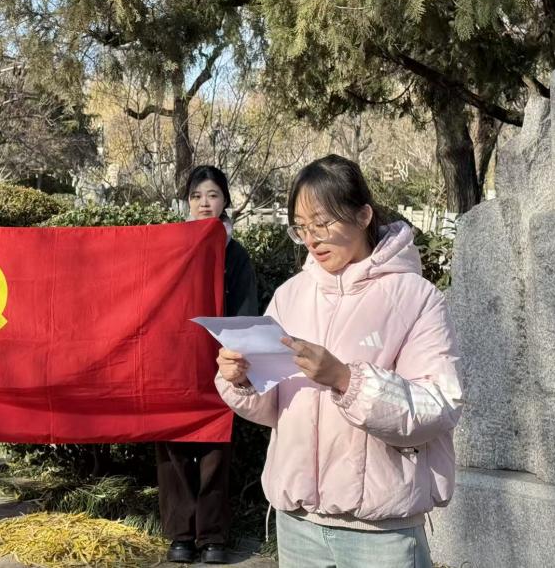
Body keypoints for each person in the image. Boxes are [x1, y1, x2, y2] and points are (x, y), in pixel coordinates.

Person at [216, 154, 462, 568]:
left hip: (381, 534)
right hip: (297, 525)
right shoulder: (291, 295)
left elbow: (439, 405)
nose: (311, 239)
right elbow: (275, 408)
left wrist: (346, 380)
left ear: (363, 215)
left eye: (322, 223)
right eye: (301, 227)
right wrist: (242, 378)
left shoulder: (416, 298)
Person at [157, 165, 258, 564]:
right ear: (187, 202)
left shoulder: (236, 254)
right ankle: (180, 535)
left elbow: (246, 311)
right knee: (173, 447)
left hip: (220, 360)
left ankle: (213, 537)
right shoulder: (169, 248)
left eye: (213, 195)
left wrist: (238, 354)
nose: (204, 203)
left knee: (216, 450)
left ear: (225, 201)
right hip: (175, 360)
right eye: (197, 196)